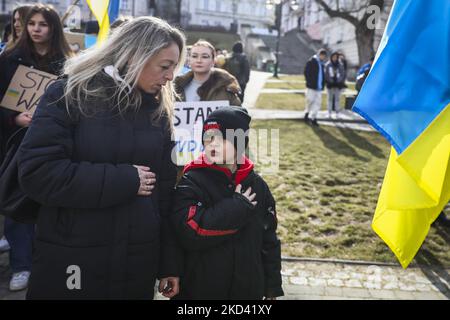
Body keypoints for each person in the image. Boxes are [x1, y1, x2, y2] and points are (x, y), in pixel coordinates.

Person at [16, 16, 185, 299]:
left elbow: (165, 193)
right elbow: (38, 173)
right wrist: (125, 180)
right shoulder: (69, 94)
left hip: (137, 264)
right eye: (165, 67)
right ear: (134, 55)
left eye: (174, 68)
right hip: (72, 260)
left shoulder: (159, 112)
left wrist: (169, 262)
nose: (170, 77)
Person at [170, 106, 283, 299]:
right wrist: (237, 207)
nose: (213, 145)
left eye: (222, 139)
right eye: (208, 138)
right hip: (201, 290)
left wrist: (271, 285)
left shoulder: (258, 186)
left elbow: (268, 239)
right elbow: (189, 233)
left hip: (247, 290)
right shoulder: (192, 181)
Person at [0, 4, 72, 292]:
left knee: (47, 207)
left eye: (43, 24)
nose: (36, 29)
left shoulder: (68, 63)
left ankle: (45, 262)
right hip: (13, 143)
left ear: (54, 28)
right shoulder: (8, 60)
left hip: (54, 145)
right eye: (32, 24)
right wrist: (14, 117)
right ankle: (21, 265)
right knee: (17, 207)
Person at [174, 40, 241, 105]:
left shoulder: (226, 87)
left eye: (204, 57)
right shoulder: (176, 86)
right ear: (189, 60)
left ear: (213, 61)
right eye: (194, 56)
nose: (199, 60)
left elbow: (238, 113)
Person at [304, 48, 327, 126]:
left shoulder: (322, 64)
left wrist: (323, 84)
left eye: (324, 56)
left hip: (319, 88)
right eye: (322, 55)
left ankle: (313, 118)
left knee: (317, 103)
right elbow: (306, 72)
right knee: (310, 101)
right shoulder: (312, 61)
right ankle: (307, 113)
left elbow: (323, 75)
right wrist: (309, 82)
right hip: (311, 86)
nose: (323, 57)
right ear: (319, 54)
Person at [325, 51, 346, 118]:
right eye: (333, 57)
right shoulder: (328, 65)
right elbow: (326, 75)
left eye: (336, 57)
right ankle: (329, 112)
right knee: (330, 99)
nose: (334, 58)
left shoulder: (340, 65)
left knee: (337, 99)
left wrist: (338, 81)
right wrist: (330, 81)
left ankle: (337, 112)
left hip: (337, 85)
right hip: (330, 85)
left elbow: (342, 74)